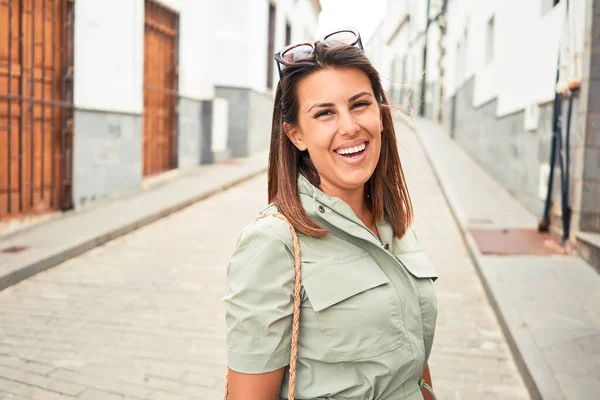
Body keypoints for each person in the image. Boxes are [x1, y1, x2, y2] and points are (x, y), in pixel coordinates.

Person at [223, 29, 438, 400]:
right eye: (324, 113)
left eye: (360, 105)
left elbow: (413, 361)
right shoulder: (274, 243)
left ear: (381, 115)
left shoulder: (394, 223)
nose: (350, 126)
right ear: (296, 135)